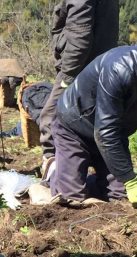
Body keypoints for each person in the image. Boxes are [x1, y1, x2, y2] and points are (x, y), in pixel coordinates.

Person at [38, 0, 119, 180]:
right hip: (100, 66)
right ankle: (106, 179)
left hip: (80, 69)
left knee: (51, 119)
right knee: (96, 120)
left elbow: (80, 38)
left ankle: (59, 178)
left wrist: (66, 77)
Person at [50, 46, 137, 206]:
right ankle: (53, 177)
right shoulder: (120, 68)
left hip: (113, 133)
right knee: (72, 199)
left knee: (120, 197)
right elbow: (105, 133)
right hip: (74, 127)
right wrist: (130, 180)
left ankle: (89, 183)